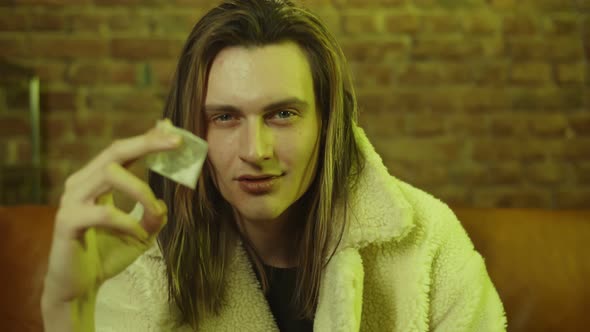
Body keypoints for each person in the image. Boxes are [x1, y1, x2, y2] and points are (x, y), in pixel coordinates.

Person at [41, 0, 507, 331]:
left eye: (282, 114)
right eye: (224, 117)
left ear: (329, 125)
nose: (255, 149)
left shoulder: (427, 242)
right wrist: (68, 308)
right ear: (191, 134)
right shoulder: (146, 260)